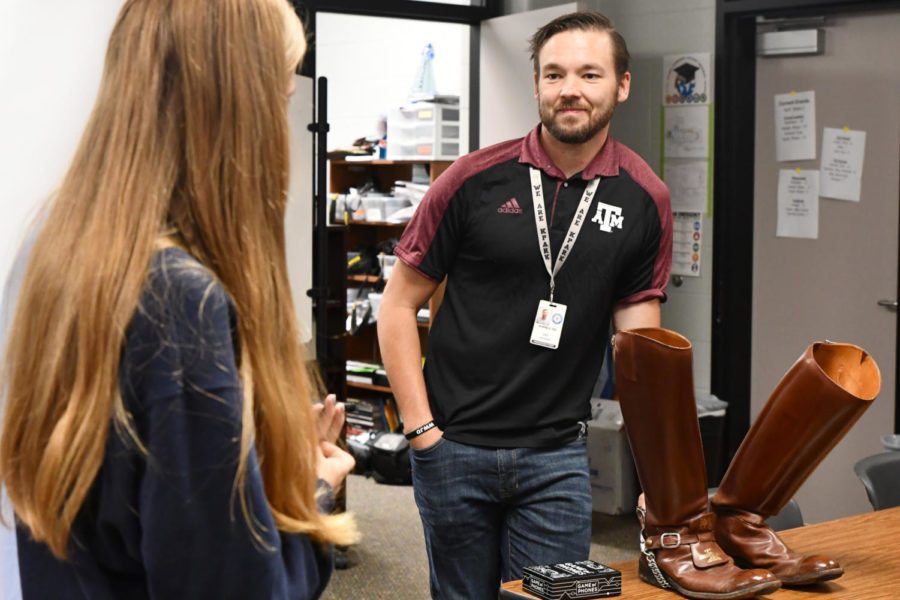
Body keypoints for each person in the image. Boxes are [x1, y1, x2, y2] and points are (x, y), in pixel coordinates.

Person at [0, 1, 357, 598]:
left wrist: (253, 462)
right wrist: (313, 492)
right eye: (279, 98)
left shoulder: (52, 249)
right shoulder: (179, 302)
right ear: (238, 110)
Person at [378, 11, 672, 599]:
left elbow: (641, 349)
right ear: (536, 84)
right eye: (554, 74)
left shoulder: (644, 198)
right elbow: (396, 306)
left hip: (557, 458)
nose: (570, 90)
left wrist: (658, 475)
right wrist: (421, 432)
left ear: (621, 85)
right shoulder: (472, 181)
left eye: (589, 75)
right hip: (454, 446)